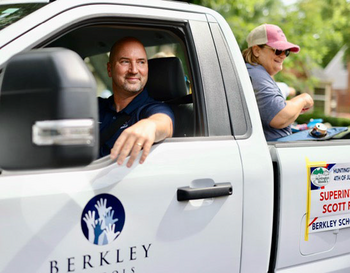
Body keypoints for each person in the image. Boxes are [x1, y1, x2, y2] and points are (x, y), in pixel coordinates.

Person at [99, 37, 174, 167]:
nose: (134, 70)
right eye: (125, 62)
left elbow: (164, 123)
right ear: (109, 69)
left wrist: (149, 126)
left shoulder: (152, 109)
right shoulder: (95, 107)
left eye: (141, 62)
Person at [242, 24, 314, 140]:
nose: (283, 56)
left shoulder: (253, 72)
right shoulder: (258, 74)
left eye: (286, 52)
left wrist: (294, 108)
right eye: (278, 50)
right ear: (256, 51)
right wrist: (303, 99)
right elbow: (280, 117)